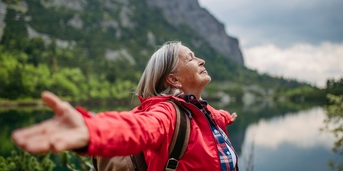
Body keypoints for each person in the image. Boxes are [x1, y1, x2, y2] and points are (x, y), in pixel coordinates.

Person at [12, 41, 238, 171]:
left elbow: (212, 116)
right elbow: (139, 128)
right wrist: (91, 131)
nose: (201, 61)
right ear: (174, 80)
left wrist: (227, 117)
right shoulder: (166, 113)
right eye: (191, 58)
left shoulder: (204, 112)